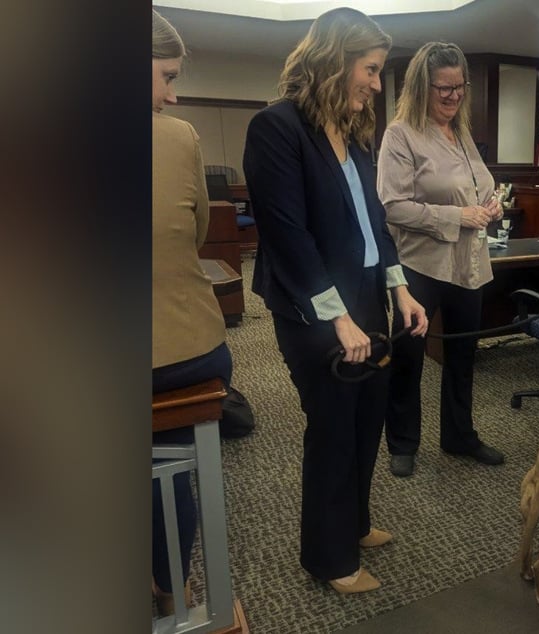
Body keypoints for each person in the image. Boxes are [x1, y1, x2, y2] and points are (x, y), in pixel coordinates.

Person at [242, 8, 428, 594]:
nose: (377, 84)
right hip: (314, 311)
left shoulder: (352, 132)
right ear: (334, 59)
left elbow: (374, 222)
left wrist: (400, 288)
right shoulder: (276, 128)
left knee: (367, 417)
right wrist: (340, 319)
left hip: (367, 300)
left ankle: (355, 521)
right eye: (371, 70)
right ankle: (328, 557)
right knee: (332, 426)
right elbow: (288, 236)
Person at [377, 41, 506, 478]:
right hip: (421, 266)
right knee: (410, 356)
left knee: (463, 354)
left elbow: (478, 188)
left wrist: (491, 204)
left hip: (469, 264)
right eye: (443, 89)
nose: (453, 97)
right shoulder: (401, 134)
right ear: (420, 86)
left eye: (460, 87)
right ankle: (403, 441)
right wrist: (460, 214)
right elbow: (393, 206)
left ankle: (458, 435)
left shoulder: (462, 131)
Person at [151, 9, 234, 615]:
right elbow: (200, 232)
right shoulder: (178, 136)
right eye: (165, 76)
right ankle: (172, 582)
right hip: (186, 351)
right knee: (173, 464)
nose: (173, 94)